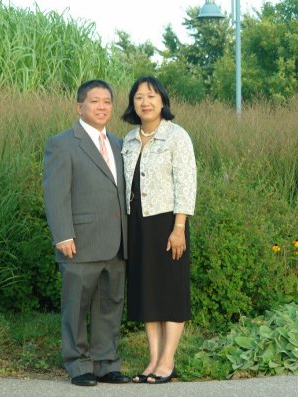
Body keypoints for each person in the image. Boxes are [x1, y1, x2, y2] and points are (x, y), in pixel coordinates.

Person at [43, 80, 130, 387]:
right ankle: (78, 364)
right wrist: (63, 234)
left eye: (107, 101)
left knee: (110, 305)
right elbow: (56, 193)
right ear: (80, 106)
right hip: (79, 241)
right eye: (95, 101)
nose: (102, 107)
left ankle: (106, 362)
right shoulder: (63, 143)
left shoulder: (121, 144)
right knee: (77, 305)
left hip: (117, 241)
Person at [121, 76, 197, 384]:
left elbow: (186, 183)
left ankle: (168, 361)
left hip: (167, 223)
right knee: (146, 292)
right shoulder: (128, 139)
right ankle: (153, 360)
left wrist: (179, 227)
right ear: (133, 104)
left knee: (170, 291)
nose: (145, 102)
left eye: (151, 96)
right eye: (139, 97)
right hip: (137, 223)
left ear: (162, 101)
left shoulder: (177, 136)